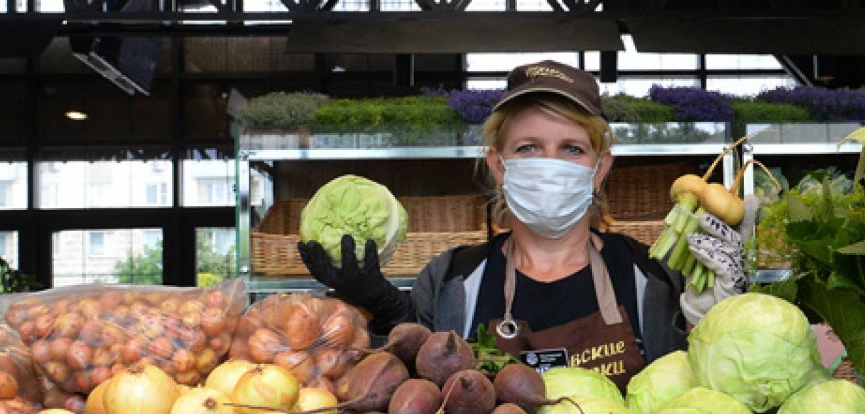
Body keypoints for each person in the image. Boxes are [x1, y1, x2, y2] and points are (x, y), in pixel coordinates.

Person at [300, 60, 752, 388]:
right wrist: (385, 311)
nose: (550, 164)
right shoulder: (451, 280)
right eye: (529, 148)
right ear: (498, 165)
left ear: (599, 169)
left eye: (572, 149)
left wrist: (716, 322)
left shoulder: (648, 276)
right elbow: (396, 394)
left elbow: (705, 394)